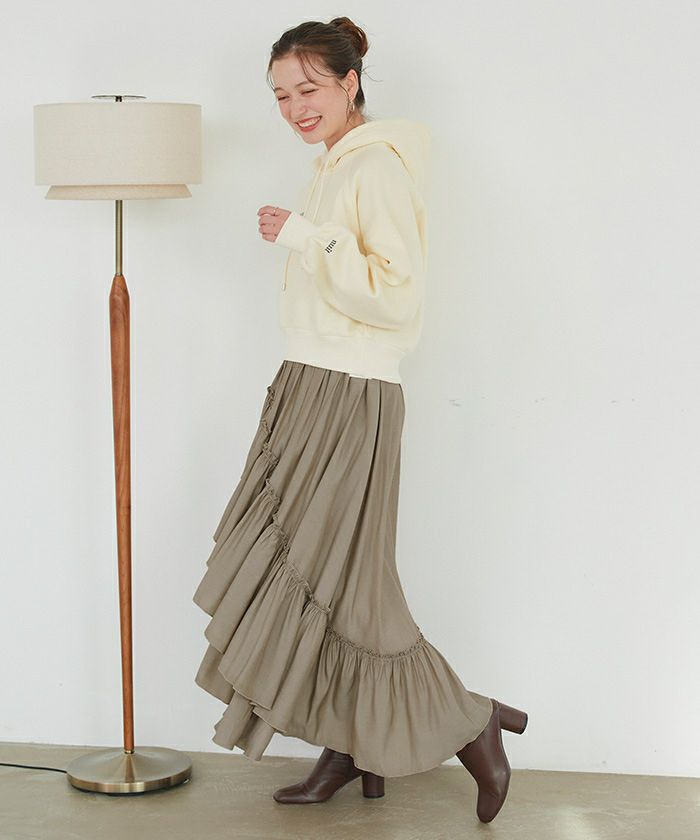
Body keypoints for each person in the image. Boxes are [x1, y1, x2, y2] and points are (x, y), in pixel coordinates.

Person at [192, 16, 528, 824]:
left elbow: (396, 296)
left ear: (350, 82)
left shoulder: (375, 167)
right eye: (281, 95)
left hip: (349, 394)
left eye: (309, 88)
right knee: (330, 587)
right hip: (312, 382)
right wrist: (309, 238)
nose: (295, 108)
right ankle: (352, 747)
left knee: (354, 589)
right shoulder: (335, 164)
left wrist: (306, 237)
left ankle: (472, 721)